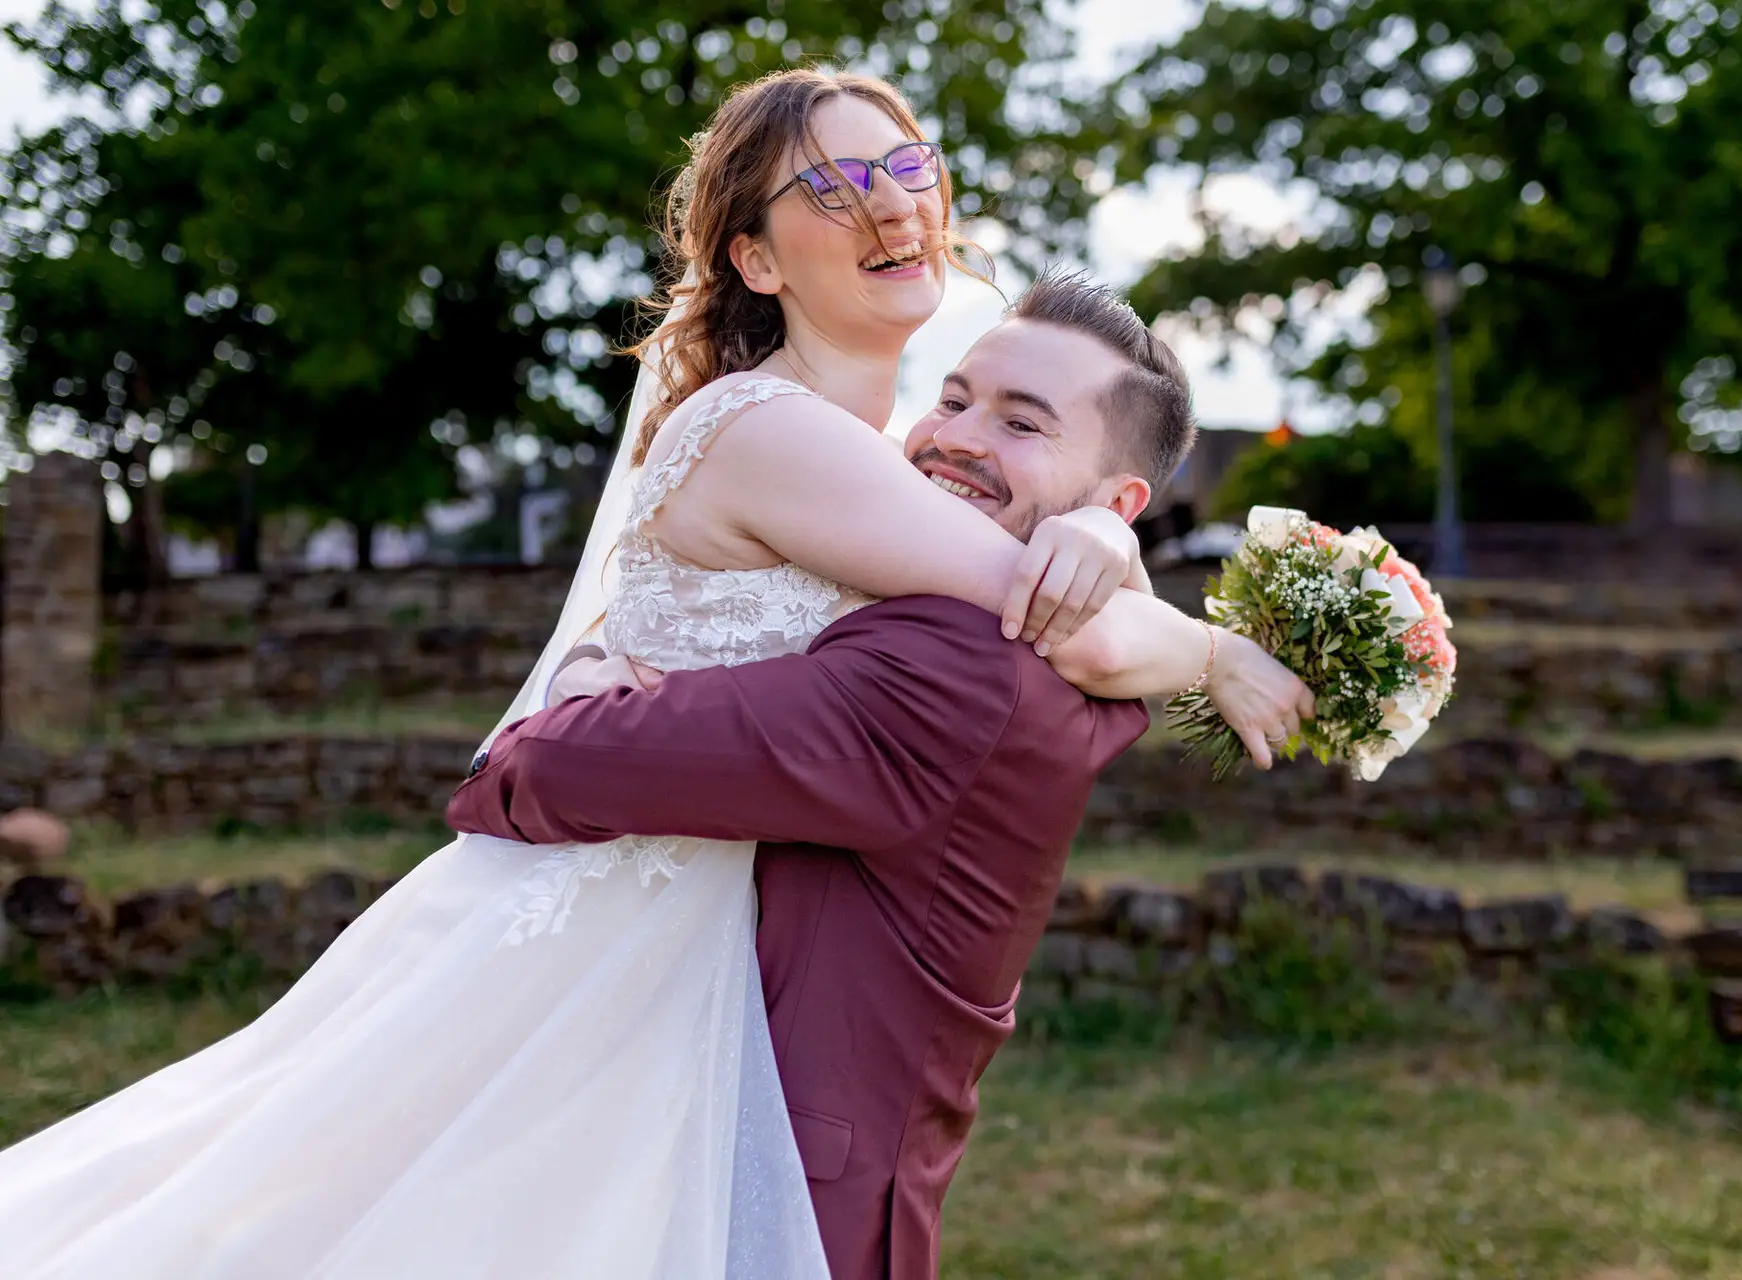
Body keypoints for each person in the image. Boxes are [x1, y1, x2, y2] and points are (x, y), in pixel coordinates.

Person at [0, 69, 1309, 1279]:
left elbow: (1041, 602)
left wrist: (1103, 538)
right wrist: (1200, 639)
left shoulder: (875, 459)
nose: (889, 202)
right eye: (832, 185)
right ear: (756, 258)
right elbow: (1064, 624)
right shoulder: (770, 426)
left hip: (704, 947)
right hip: (616, 920)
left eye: (905, 165)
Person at [447, 269, 1310, 1280]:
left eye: (1021, 424)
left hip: (771, 1201)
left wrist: (576, 684)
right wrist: (1124, 561)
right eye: (953, 398)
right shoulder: (1046, 643)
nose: (954, 437)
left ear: (1118, 499)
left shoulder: (957, 665)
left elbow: (553, 765)